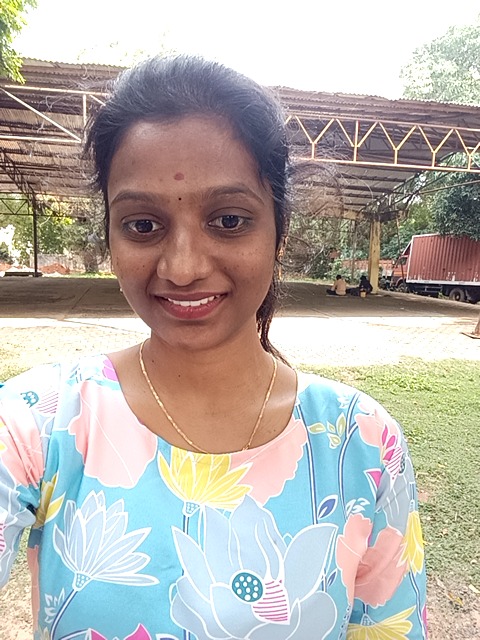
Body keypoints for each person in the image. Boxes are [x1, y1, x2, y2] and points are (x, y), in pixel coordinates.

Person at [0, 55, 427, 639]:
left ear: (279, 231)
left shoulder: (362, 443)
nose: (182, 268)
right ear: (111, 237)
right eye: (143, 225)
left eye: (228, 220)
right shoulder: (37, 423)